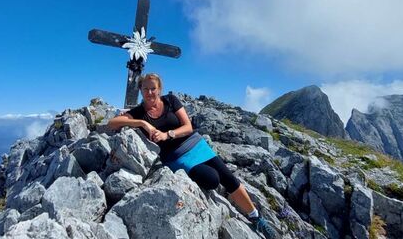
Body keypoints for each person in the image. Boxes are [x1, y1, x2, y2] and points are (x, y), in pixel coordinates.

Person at [109, 73, 279, 239]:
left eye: (153, 88)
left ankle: (256, 217)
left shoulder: (170, 100)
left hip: (196, 145)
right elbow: (112, 123)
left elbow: (188, 127)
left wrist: (167, 134)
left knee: (228, 178)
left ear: (159, 89)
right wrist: (142, 122)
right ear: (140, 90)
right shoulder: (139, 112)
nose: (150, 92)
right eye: (145, 89)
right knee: (212, 180)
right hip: (175, 158)